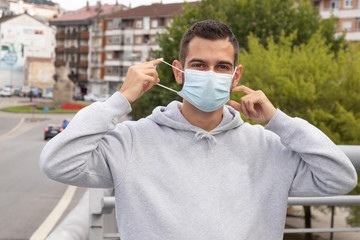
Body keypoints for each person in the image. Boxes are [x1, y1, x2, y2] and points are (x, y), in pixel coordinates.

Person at [40, 20, 357, 240]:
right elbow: (58, 162)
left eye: (222, 67)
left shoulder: (268, 146)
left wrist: (279, 122)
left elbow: (341, 177)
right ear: (178, 72)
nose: (210, 73)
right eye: (198, 65)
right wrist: (119, 100)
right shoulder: (131, 141)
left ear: (236, 76)